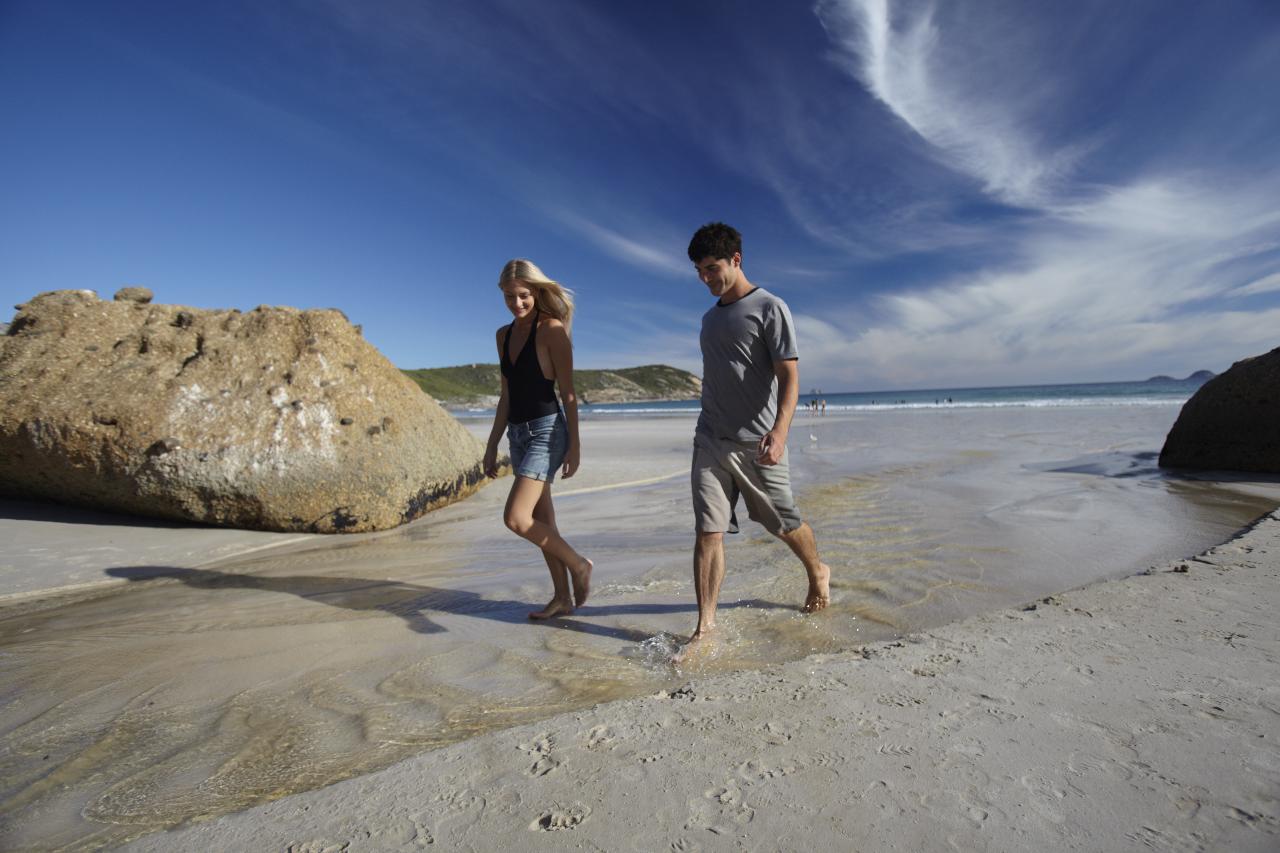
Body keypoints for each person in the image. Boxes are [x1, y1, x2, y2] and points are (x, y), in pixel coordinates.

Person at [680, 222, 831, 657]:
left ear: (736, 260)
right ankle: (705, 627)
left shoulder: (770, 307)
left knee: (783, 522)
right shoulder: (708, 320)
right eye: (699, 271)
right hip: (710, 439)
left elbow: (789, 377)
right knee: (708, 532)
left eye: (712, 268)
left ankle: (817, 570)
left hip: (757, 443)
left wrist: (780, 432)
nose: (705, 278)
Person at [482, 259, 592, 620]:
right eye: (509, 297)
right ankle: (562, 598)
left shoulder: (551, 330)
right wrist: (491, 444)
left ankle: (579, 564)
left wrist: (575, 446)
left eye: (524, 295)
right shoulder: (502, 336)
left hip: (547, 432)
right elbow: (506, 396)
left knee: (517, 518)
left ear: (537, 292)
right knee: (543, 520)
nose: (517, 303)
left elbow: (569, 394)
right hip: (518, 434)